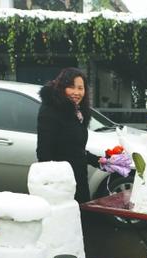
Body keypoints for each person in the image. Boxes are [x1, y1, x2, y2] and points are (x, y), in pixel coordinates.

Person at [37, 67, 100, 203]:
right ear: (61, 87)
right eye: (71, 87)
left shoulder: (78, 113)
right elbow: (43, 153)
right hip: (61, 185)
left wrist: (100, 161)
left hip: (79, 180)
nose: (76, 92)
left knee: (81, 219)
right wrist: (54, 185)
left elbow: (75, 150)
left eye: (80, 88)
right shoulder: (50, 111)